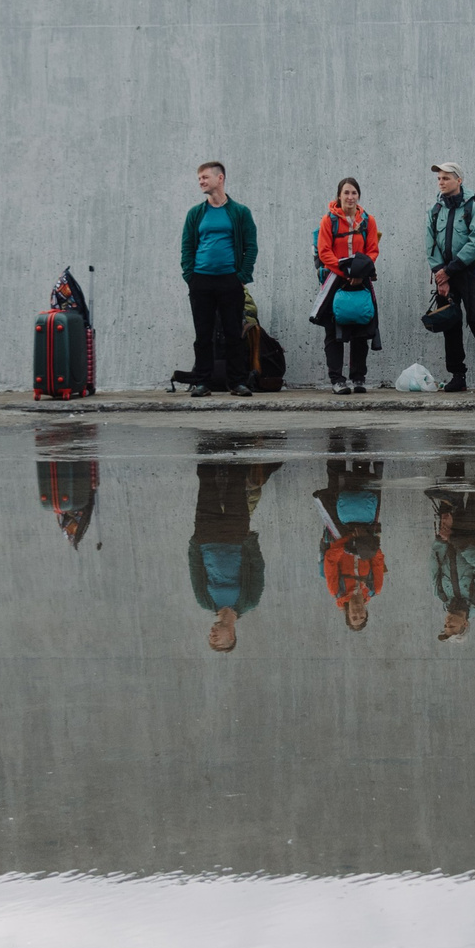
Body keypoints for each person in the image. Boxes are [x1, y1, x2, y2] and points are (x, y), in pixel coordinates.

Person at [179, 160, 258, 399]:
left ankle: (237, 382)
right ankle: (203, 382)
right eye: (199, 178)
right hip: (201, 281)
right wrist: (190, 276)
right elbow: (187, 247)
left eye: (205, 177)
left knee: (234, 332)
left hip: (230, 282)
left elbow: (251, 247)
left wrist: (241, 277)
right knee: (203, 334)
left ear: (220, 178)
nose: (201, 182)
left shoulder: (239, 212)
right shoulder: (195, 214)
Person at [189, 447, 277, 652]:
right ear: (231, 635)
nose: (212, 635)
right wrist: (249, 540)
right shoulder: (249, 601)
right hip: (237, 536)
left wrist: (195, 543)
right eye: (217, 640)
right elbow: (257, 568)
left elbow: (195, 569)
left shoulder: (205, 601)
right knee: (236, 485)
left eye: (211, 639)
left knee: (207, 483)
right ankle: (235, 444)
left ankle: (208, 446)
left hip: (207, 536)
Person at [425, 163, 475, 394]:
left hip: (469, 274)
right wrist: (441, 274)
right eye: (439, 178)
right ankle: (458, 376)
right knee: (450, 324)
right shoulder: (435, 210)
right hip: (444, 277)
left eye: (446, 178)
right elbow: (430, 244)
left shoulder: (473, 208)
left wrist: (450, 270)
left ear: (459, 180)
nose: (441, 182)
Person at [314, 177, 381, 395]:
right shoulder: (329, 220)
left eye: (354, 193)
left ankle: (358, 378)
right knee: (333, 332)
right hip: (335, 280)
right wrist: (346, 272)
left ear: (358, 195)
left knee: (361, 330)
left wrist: (360, 274)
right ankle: (337, 379)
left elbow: (373, 250)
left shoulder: (368, 221)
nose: (350, 197)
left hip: (361, 281)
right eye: (346, 193)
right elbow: (324, 252)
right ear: (339, 196)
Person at [427, 459, 475, 642]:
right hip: (473, 532)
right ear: (465, 624)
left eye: (445, 625)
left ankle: (456, 444)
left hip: (446, 534)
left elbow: (434, 564)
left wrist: (441, 539)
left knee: (450, 486)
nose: (447, 622)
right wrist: (456, 541)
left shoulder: (442, 595)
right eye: (452, 626)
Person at [317, 436, 387, 632]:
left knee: (335, 488)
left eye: (354, 616)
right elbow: (378, 560)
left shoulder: (336, 590)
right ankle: (360, 445)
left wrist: (349, 543)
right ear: (366, 612)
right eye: (361, 616)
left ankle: (336, 445)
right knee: (363, 488)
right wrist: (366, 542)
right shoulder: (374, 588)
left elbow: (330, 560)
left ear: (347, 614)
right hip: (366, 531)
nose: (358, 612)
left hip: (339, 534)